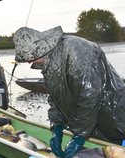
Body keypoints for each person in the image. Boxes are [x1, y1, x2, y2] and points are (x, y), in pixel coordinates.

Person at [13, 26, 125, 158]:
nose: (30, 62)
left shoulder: (75, 49)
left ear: (41, 47)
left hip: (114, 115)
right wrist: (56, 126)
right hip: (92, 124)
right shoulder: (48, 61)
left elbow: (90, 97)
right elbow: (55, 98)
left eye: (31, 57)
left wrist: (79, 135)